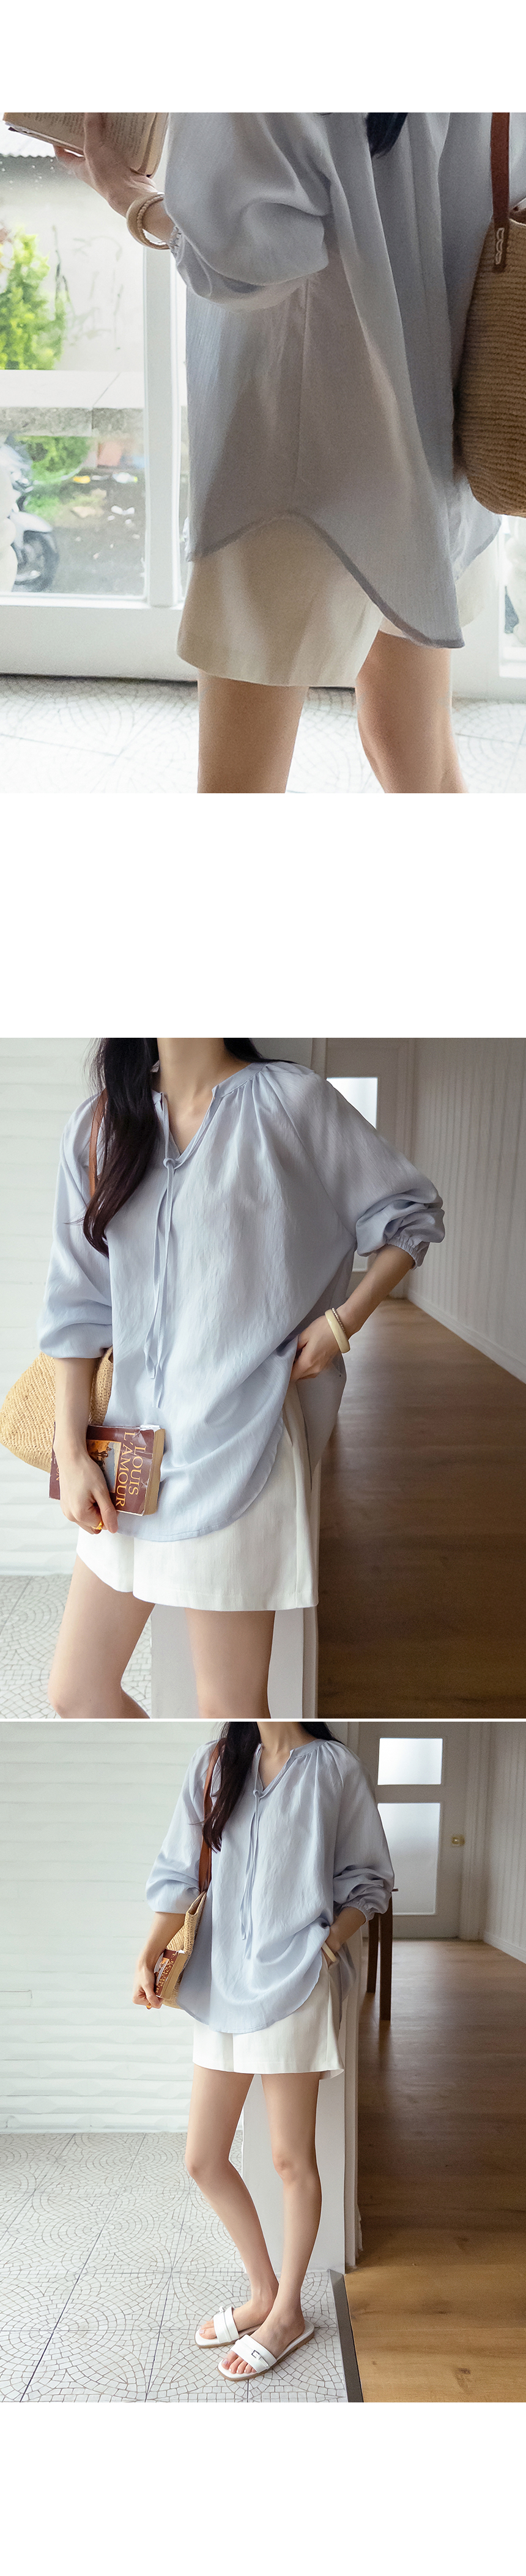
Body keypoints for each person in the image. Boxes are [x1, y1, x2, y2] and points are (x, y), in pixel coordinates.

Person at [51, 112, 526, 792]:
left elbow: (249, 263)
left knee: (240, 783)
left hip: (295, 452)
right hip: (438, 427)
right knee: (414, 749)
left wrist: (129, 197)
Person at [38, 1039, 445, 1721]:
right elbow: (77, 1306)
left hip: (241, 1443)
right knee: (77, 1690)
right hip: (126, 1461)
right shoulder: (100, 1125)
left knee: (229, 1709)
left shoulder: (290, 1103)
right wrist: (70, 1448)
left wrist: (343, 1323)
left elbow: (412, 1214)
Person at [134, 1717, 394, 2379]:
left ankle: (288, 2312)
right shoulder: (215, 1762)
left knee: (288, 2158)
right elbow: (179, 1871)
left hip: (295, 1984)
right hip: (218, 1979)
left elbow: (368, 1878)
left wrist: (327, 1944)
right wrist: (148, 1953)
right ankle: (262, 2292)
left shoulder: (334, 1768)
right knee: (203, 2158)